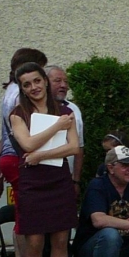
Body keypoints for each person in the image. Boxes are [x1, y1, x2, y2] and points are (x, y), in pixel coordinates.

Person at [8, 62, 80, 257]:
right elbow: (27, 144)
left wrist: (42, 155)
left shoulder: (64, 110)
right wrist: (58, 126)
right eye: (27, 84)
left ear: (45, 81)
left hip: (59, 179)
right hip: (32, 183)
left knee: (61, 239)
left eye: (37, 81)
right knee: (34, 242)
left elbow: (73, 147)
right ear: (22, 88)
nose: (34, 87)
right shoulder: (18, 114)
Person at [0, 47, 47, 257]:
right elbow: (23, 133)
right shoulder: (18, 96)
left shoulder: (9, 92)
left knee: (23, 210)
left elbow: (3, 136)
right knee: (30, 213)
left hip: (9, 157)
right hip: (20, 156)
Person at [47, 65, 84, 194]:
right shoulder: (35, 110)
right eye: (57, 81)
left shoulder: (73, 109)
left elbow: (79, 147)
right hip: (42, 177)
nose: (63, 85)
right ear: (45, 82)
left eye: (66, 82)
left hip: (66, 178)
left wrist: (76, 180)